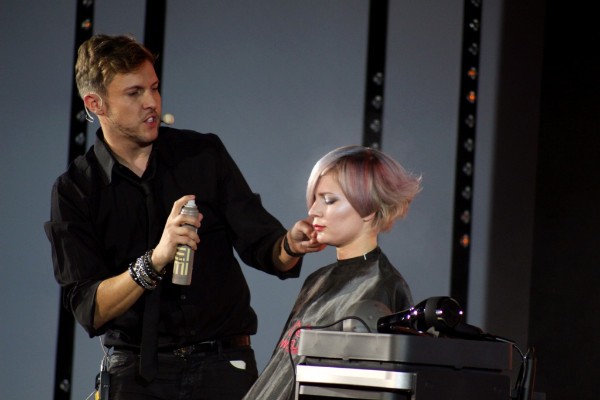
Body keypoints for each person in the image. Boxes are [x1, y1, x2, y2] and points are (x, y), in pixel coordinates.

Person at [44, 34, 324, 400]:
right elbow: (90, 308)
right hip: (137, 376)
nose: (152, 102)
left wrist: (291, 244)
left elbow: (263, 244)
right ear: (95, 104)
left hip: (224, 367)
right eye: (134, 93)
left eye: (154, 88)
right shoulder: (75, 191)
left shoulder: (202, 154)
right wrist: (155, 260)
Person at [242, 145, 422, 400]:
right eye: (315, 199)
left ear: (368, 207)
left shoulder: (381, 287)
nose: (313, 211)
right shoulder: (316, 280)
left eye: (328, 200)